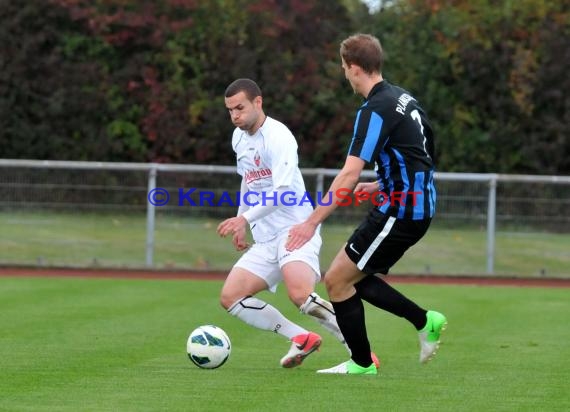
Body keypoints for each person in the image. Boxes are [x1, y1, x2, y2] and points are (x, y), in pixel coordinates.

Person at [286, 34, 447, 375]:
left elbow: (347, 175)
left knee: (338, 281)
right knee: (347, 277)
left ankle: (369, 358)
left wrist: (311, 222)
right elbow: (424, 156)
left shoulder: (374, 109)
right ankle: (414, 326)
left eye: (344, 68)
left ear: (355, 68)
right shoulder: (403, 97)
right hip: (410, 205)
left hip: (401, 211)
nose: (344, 74)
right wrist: (379, 185)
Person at [217, 78, 377, 369]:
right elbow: (247, 181)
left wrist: (244, 218)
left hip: (296, 229)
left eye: (239, 108)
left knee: (300, 294)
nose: (235, 116)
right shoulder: (238, 138)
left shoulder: (279, 137)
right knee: (231, 297)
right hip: (265, 239)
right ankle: (301, 338)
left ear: (258, 102)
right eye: (230, 110)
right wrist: (242, 220)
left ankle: (360, 352)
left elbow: (281, 193)